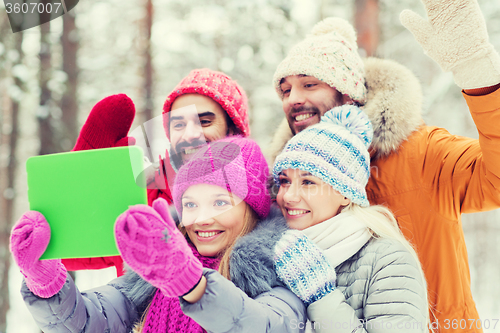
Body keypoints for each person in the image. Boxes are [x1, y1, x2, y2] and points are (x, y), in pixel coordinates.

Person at [268, 1, 500, 330]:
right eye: (285, 89)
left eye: (309, 84)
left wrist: (478, 72)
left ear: (348, 95)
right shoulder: (284, 186)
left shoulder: (421, 152)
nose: (292, 98)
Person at [10, 136, 307, 333]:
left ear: (252, 207)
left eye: (220, 202)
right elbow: (90, 321)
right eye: (190, 204)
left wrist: (189, 282)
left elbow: (267, 326)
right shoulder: (155, 271)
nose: (202, 219)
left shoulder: (279, 269)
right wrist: (45, 280)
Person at [63, 68, 251, 276]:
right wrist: (86, 179)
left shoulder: (258, 204)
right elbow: (64, 252)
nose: (190, 134)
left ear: (233, 131)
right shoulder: (142, 198)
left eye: (204, 121)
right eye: (178, 124)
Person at [271, 105, 429, 332]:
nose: (288, 196)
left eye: (308, 182)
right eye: (285, 181)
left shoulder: (388, 260)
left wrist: (321, 298)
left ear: (345, 193)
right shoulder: (275, 249)